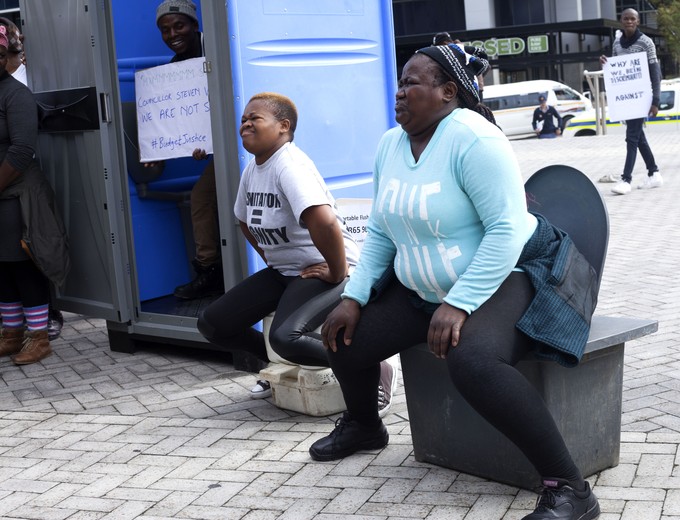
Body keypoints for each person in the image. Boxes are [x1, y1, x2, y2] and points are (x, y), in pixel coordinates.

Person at [309, 43, 600, 520]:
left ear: (447, 92)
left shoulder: (474, 138)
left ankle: (569, 488)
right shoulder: (391, 144)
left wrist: (460, 302)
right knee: (343, 335)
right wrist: (354, 296)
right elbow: (382, 229)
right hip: (425, 286)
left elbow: (506, 230)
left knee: (474, 362)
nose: (399, 93)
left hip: (511, 273)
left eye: (412, 83)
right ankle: (364, 425)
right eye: (400, 82)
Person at [196, 92, 397, 414]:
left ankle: (373, 366)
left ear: (283, 127)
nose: (245, 124)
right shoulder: (254, 168)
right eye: (244, 119)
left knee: (287, 337)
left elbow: (325, 222)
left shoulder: (290, 166)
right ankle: (277, 366)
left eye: (255, 119)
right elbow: (244, 222)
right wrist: (272, 260)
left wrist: (336, 271)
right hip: (287, 272)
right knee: (214, 324)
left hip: (331, 267)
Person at [0, 25, 70, 365]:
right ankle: (12, 334)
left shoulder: (16, 94)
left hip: (17, 194)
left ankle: (39, 337)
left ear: (7, 57)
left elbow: (22, 150)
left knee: (22, 265)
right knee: (1, 268)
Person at [153, 0, 224, 299]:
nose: (172, 34)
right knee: (204, 197)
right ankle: (210, 271)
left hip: (250, 142)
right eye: (165, 30)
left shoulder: (219, 48)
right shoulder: (174, 70)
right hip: (221, 149)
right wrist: (156, 150)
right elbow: (183, 122)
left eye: (178, 25)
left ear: (195, 24)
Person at [599, 8, 663, 195]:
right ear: (621, 20)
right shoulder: (617, 43)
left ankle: (626, 179)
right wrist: (605, 62)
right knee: (639, 137)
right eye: (626, 18)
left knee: (631, 136)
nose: (629, 21)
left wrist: (655, 100)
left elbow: (655, 73)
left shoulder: (646, 43)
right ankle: (654, 173)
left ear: (637, 21)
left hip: (642, 97)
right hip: (626, 99)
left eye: (632, 19)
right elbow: (616, 68)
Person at [432, 31, 490, 102]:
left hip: (467, 90)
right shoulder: (462, 48)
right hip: (474, 88)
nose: (439, 49)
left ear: (444, 43)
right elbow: (487, 66)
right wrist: (476, 77)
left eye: (439, 46)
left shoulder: (454, 52)